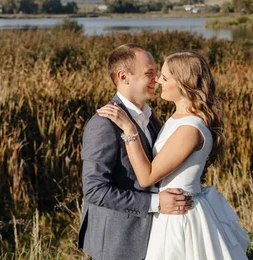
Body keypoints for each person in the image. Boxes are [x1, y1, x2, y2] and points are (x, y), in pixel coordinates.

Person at [97, 50, 250, 260]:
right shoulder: (176, 118)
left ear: (183, 83)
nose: (158, 80)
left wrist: (130, 131)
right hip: (170, 210)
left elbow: (147, 177)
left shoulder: (190, 128)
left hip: (180, 216)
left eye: (165, 77)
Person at [78, 44, 194, 260]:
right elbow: (94, 190)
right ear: (124, 77)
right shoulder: (103, 124)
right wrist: (156, 203)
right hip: (117, 242)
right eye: (149, 73)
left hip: (153, 236)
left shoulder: (151, 117)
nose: (157, 79)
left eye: (157, 73)